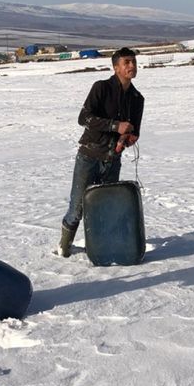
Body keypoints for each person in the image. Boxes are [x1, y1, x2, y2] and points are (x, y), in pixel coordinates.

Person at [59, 47, 144, 257]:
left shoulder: (137, 98)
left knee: (106, 208)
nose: (132, 66)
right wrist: (115, 126)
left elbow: (134, 131)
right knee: (77, 208)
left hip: (113, 160)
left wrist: (127, 139)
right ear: (116, 67)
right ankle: (64, 249)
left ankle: (102, 248)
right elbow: (84, 118)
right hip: (89, 156)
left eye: (133, 62)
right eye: (126, 62)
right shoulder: (101, 88)